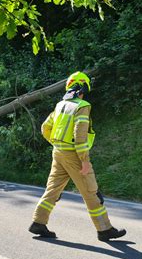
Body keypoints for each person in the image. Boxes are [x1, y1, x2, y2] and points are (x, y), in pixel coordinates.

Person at [29, 72, 126, 242]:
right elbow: (80, 136)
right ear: (83, 87)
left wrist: (56, 143)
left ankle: (38, 222)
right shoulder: (82, 106)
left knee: (53, 189)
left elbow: (45, 128)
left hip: (58, 152)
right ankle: (104, 230)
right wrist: (85, 161)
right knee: (91, 191)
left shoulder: (60, 105)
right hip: (74, 155)